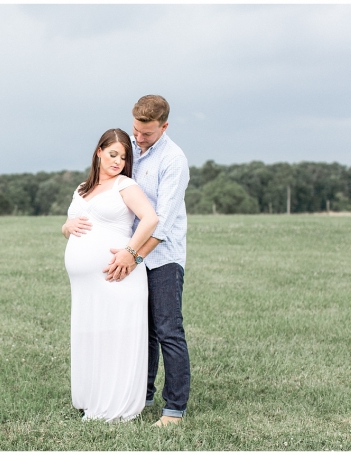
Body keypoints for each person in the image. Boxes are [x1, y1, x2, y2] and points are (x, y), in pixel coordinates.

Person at [104, 95, 191, 427]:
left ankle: (174, 409)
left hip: (163, 257)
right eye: (136, 131)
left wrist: (134, 255)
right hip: (133, 254)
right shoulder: (132, 153)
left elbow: (163, 224)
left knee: (168, 329)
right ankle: (143, 394)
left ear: (164, 127)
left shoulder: (174, 160)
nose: (139, 139)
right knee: (143, 331)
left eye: (147, 134)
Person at [62, 128, 159, 423]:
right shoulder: (82, 188)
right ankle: (92, 397)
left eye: (123, 157)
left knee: (115, 337)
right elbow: (70, 223)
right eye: (113, 154)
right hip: (84, 285)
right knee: (90, 336)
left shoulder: (125, 185)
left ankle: (115, 404)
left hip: (115, 277)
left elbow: (151, 219)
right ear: (99, 152)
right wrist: (66, 227)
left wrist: (130, 250)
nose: (117, 161)